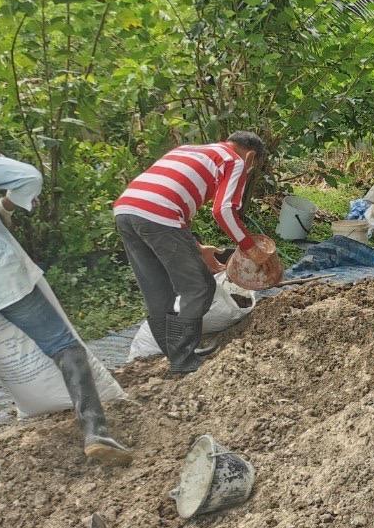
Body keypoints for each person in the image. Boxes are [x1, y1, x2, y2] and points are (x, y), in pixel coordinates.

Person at [0, 143, 131, 486]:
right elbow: (28, 176)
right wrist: (5, 205)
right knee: (63, 345)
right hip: (1, 274)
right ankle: (96, 432)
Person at [114, 132, 272, 375]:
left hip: (126, 211)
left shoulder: (188, 150)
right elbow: (224, 210)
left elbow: (171, 205)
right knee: (199, 288)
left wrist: (198, 250)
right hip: (160, 215)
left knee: (158, 291)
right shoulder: (235, 160)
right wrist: (251, 248)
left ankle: (177, 355)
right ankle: (183, 359)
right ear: (251, 156)